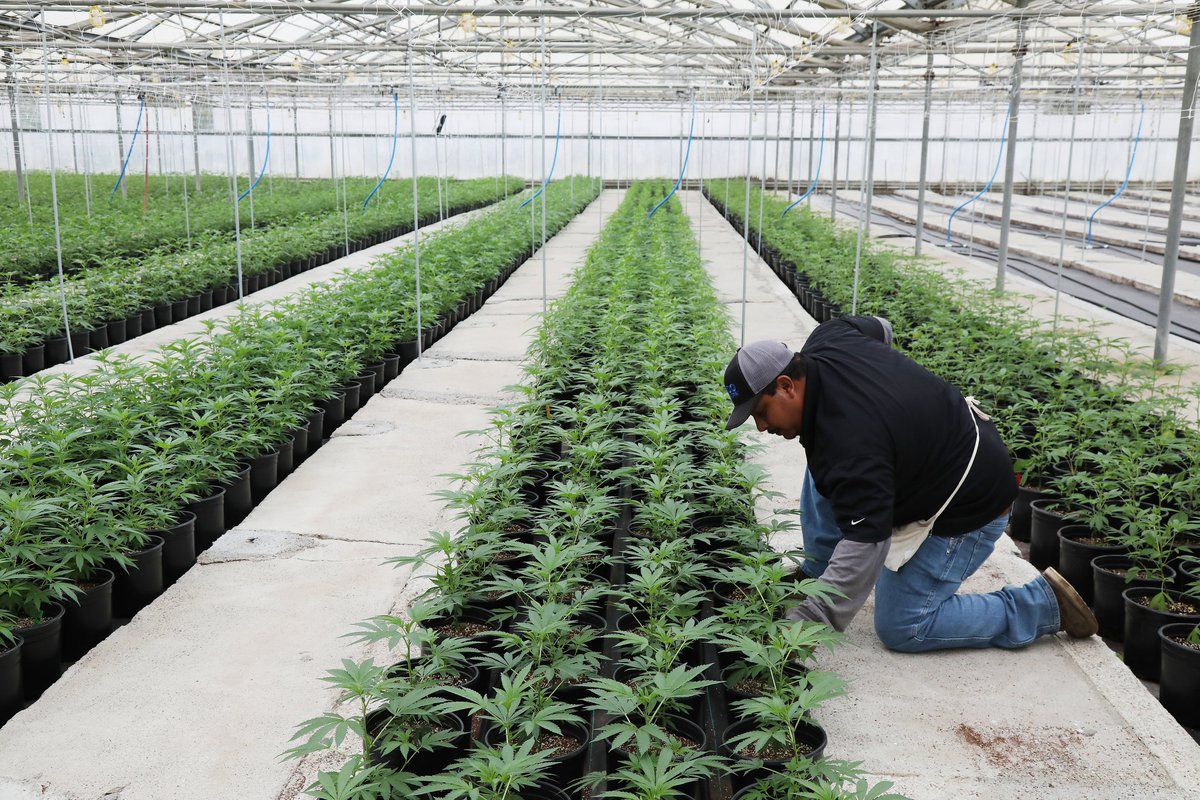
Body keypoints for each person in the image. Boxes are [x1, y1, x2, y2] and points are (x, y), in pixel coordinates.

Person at [722, 316, 1097, 652]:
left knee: (903, 626)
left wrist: (802, 628)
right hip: (955, 446)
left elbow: (866, 543)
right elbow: (880, 327)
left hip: (970, 505)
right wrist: (895, 400)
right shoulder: (830, 337)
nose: (762, 427)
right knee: (822, 459)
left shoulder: (852, 447)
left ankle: (1042, 605)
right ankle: (818, 572)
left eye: (760, 412)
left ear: (787, 385)